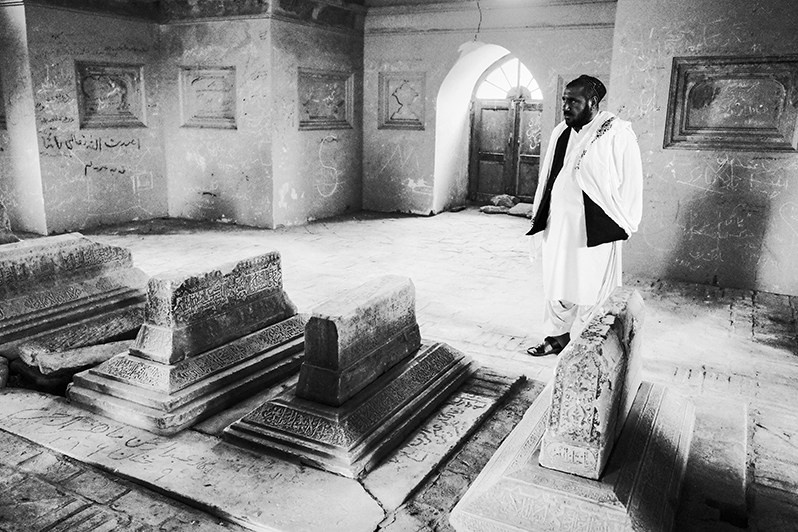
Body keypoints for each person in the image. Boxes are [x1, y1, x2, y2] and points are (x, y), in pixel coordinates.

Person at [526, 75, 643, 356]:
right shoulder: (561, 132)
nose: (566, 107)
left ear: (592, 102)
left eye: (573, 101)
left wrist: (624, 222)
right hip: (559, 223)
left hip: (595, 226)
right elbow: (547, 177)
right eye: (565, 101)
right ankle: (557, 338)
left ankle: (592, 346)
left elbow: (632, 180)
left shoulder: (616, 132)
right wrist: (539, 212)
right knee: (557, 281)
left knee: (592, 285)